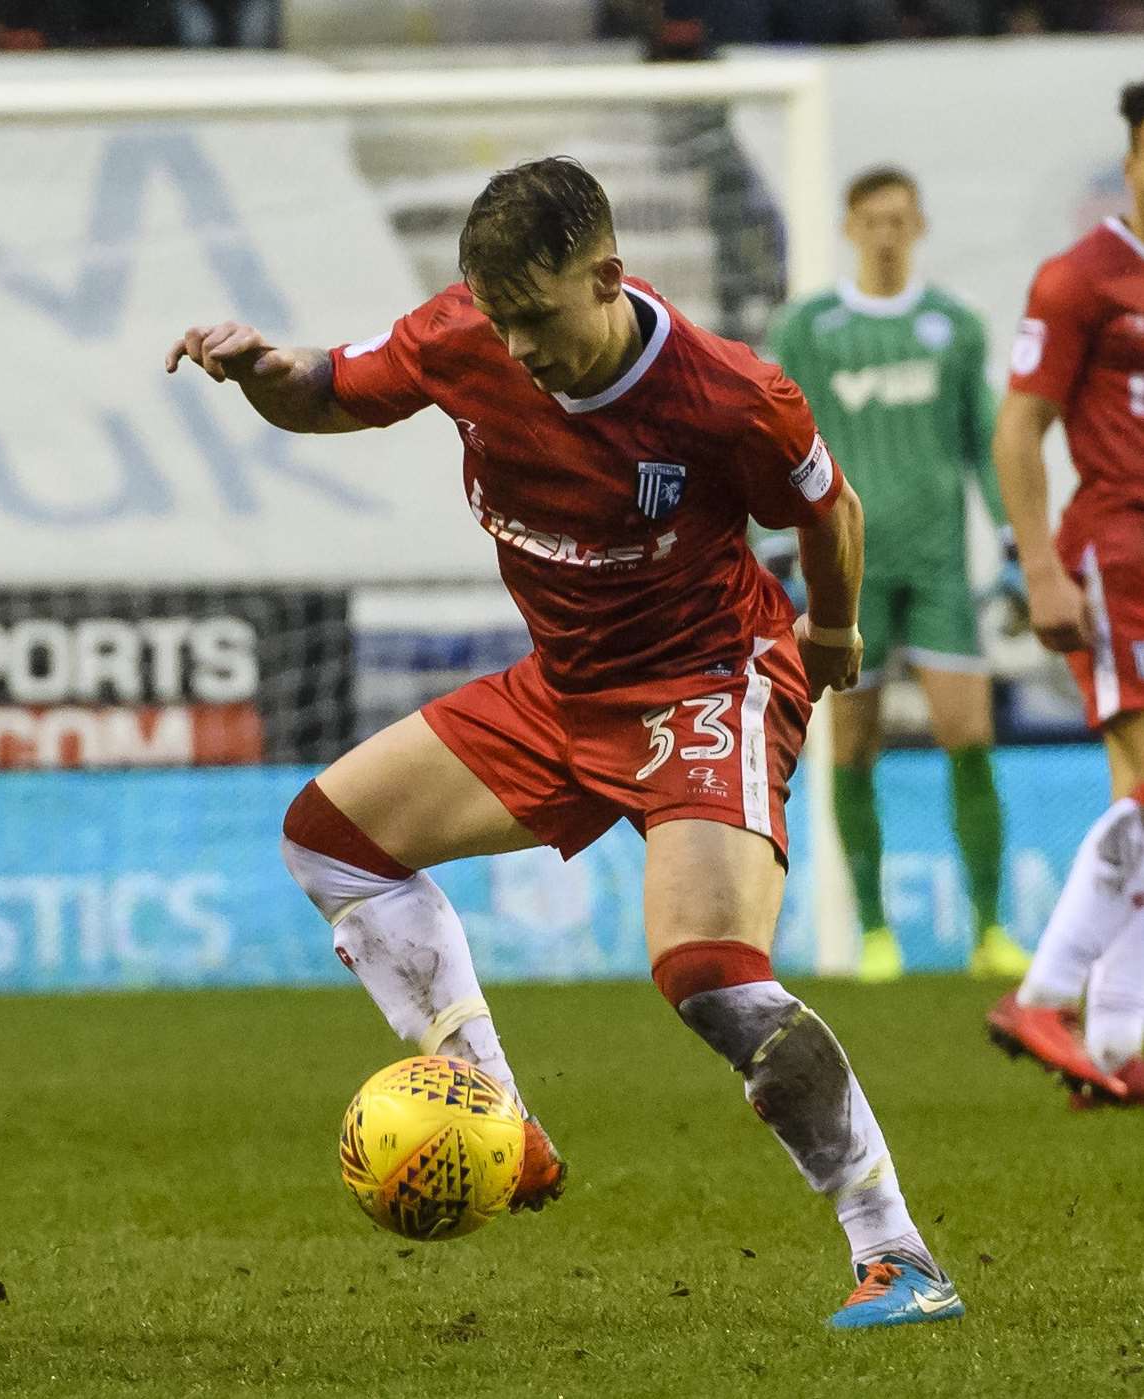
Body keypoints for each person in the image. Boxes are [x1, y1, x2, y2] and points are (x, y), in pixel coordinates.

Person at [168, 156, 962, 1329]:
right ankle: (495, 1111)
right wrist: (259, 370)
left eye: (536, 320)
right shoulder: (463, 333)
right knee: (331, 838)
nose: (518, 348)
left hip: (703, 683)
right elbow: (326, 389)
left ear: (606, 277)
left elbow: (827, 508)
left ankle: (896, 1253)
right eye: (499, 321)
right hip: (565, 689)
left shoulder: (726, 395)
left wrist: (833, 630)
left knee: (707, 976)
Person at [767, 166, 1025, 982]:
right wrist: (761, 539)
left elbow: (982, 441)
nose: (884, 233)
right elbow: (774, 435)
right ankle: (875, 934)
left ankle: (988, 929)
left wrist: (1015, 537)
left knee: (969, 738)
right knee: (852, 745)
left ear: (918, 227)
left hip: (942, 564)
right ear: (848, 227)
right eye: (870, 219)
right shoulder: (809, 326)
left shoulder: (954, 325)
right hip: (848, 567)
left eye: (898, 220)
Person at [987, 82, 1144, 1106]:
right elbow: (1017, 427)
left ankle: (1118, 1046)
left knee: (1137, 804)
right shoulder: (1080, 277)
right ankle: (1041, 993)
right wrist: (1040, 566)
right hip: (1119, 554)